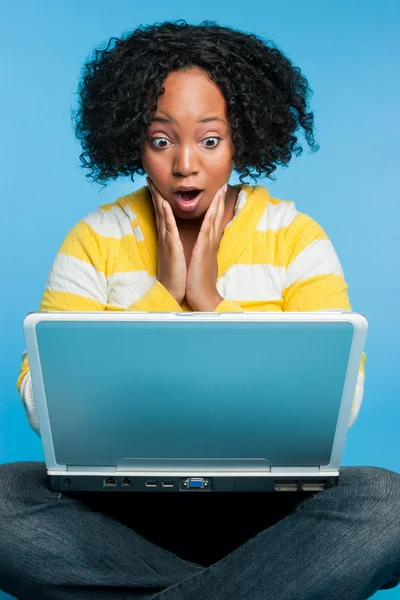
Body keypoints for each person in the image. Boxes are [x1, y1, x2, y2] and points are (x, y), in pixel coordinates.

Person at [0, 20, 399, 600]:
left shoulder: (296, 237)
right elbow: (41, 404)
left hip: (271, 519)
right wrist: (162, 293)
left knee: (387, 505)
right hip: (118, 517)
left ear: (241, 139)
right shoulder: (94, 238)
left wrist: (211, 302)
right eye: (161, 141)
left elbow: (345, 398)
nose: (185, 163)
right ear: (133, 140)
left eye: (210, 140)